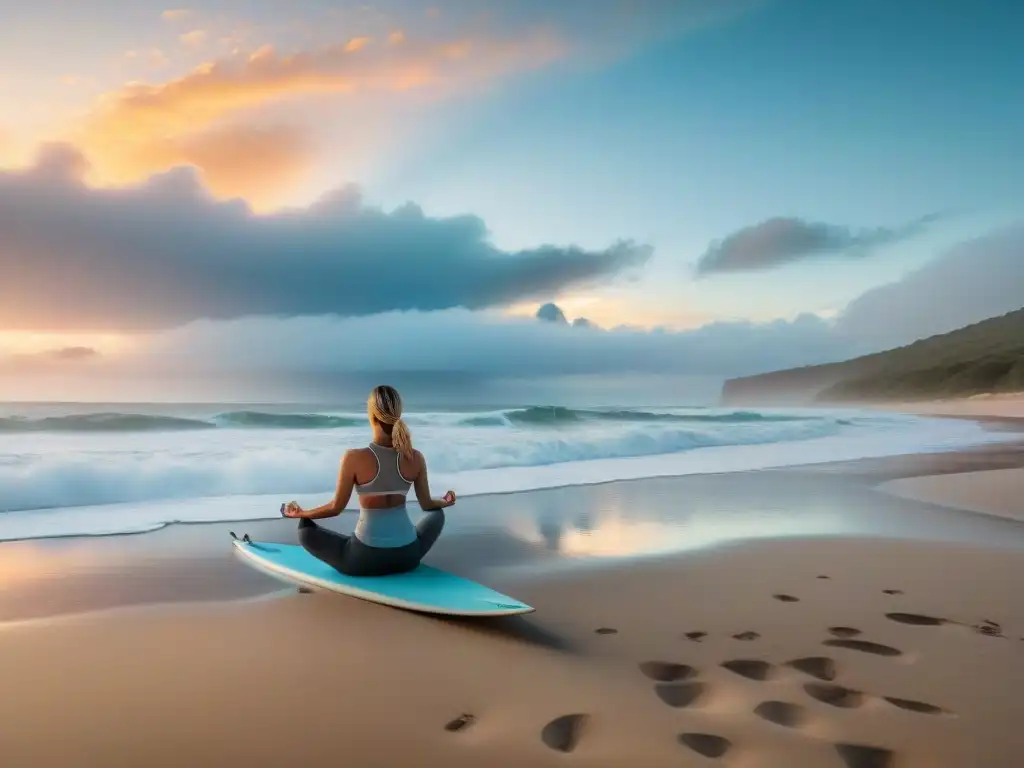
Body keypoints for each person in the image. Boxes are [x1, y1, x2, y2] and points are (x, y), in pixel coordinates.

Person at [281, 385, 456, 577]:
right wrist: (445, 501)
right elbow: (427, 504)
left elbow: (335, 508)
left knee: (305, 530)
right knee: (437, 514)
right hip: (408, 556)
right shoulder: (415, 457)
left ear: (371, 416)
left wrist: (302, 514)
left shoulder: (354, 458)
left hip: (363, 560)